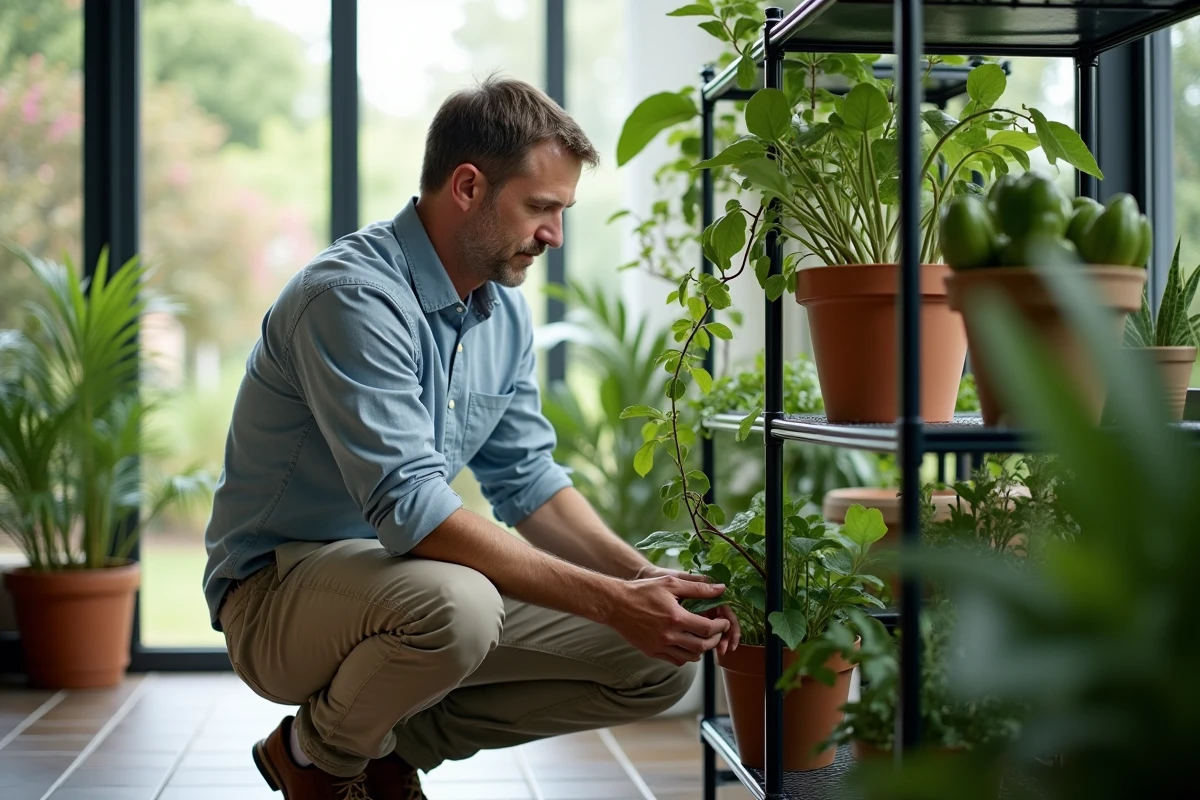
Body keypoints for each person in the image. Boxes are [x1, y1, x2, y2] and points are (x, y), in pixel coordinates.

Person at [201, 75, 741, 800]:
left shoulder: (503, 314)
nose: (553, 233)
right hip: (275, 596)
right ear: (466, 187)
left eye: (562, 211)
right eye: (540, 207)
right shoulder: (351, 298)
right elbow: (413, 510)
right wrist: (610, 599)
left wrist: (640, 583)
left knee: (658, 660)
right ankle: (315, 755)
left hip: (398, 588)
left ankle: (387, 753)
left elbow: (528, 482)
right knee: (459, 606)